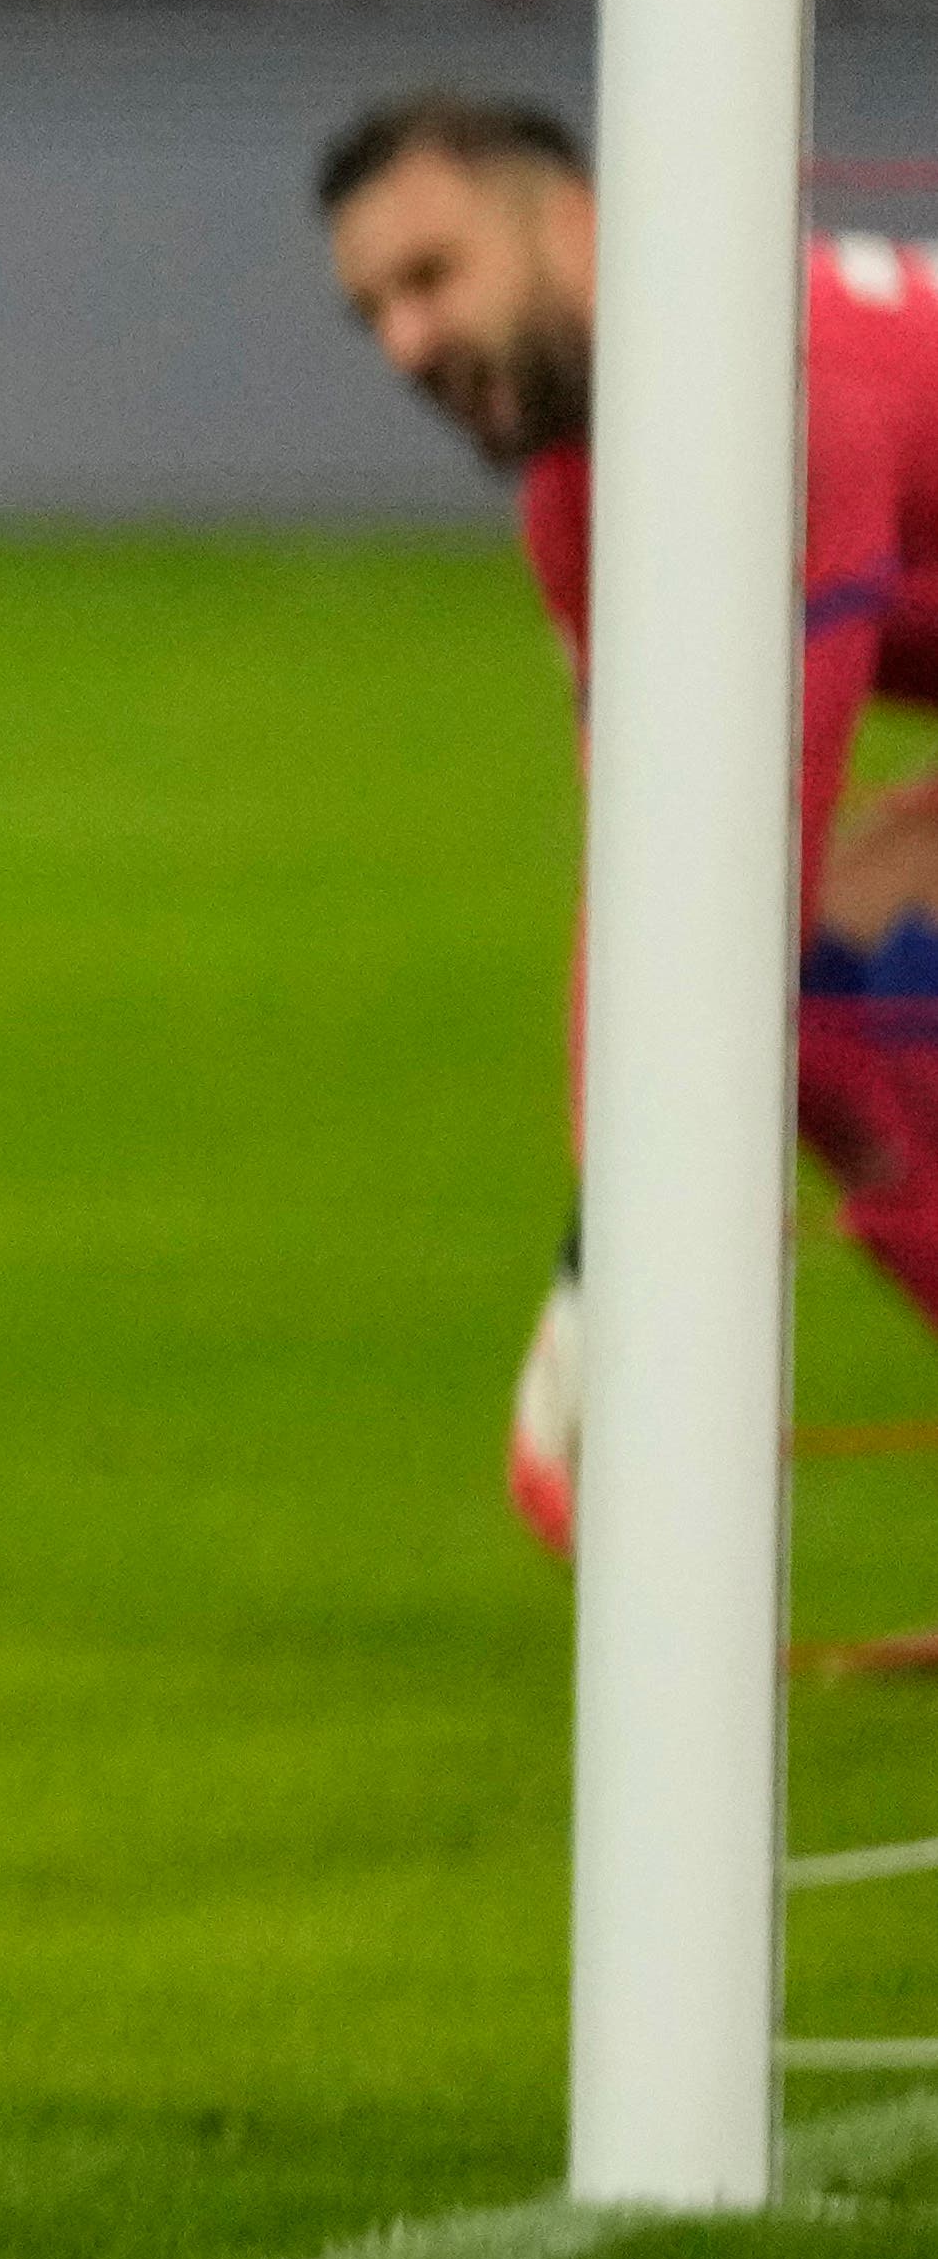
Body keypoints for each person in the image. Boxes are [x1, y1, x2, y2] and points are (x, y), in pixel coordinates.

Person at [316, 93, 938, 1545]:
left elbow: (743, 871)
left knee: (826, 978)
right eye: (371, 314)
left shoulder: (780, 394)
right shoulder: (575, 499)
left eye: (429, 278)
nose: (404, 344)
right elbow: (645, 893)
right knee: (836, 1000)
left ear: (573, 223)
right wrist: (601, 1230)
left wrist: (597, 1292)